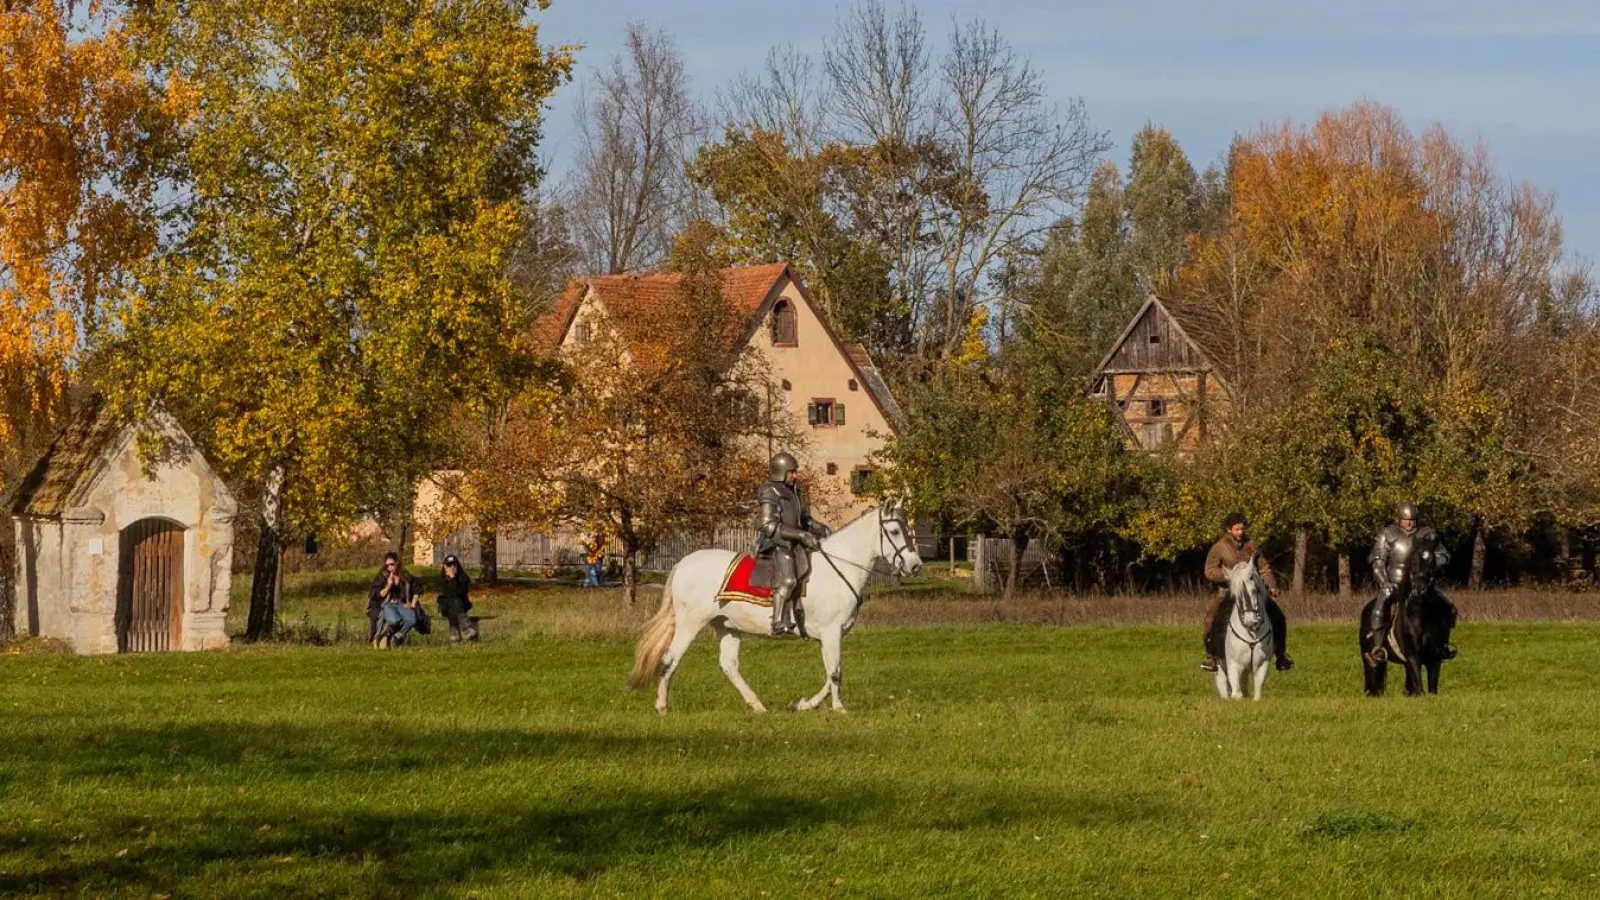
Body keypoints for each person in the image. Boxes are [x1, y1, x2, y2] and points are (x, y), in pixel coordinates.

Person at [1365, 501, 1459, 663]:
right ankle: (1378, 649)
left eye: (1412, 521)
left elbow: (1444, 555)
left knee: (1449, 609)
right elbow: (1378, 562)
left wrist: (1432, 562)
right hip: (1394, 583)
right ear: (1399, 519)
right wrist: (1385, 583)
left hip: (1421, 584)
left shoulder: (1427, 534)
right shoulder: (1388, 534)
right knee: (1379, 609)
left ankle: (1442, 645)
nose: (1408, 524)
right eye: (1405, 520)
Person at [1200, 512, 1294, 672]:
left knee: (1279, 616)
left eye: (1242, 529)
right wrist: (1229, 576)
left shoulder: (1250, 545)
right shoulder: (1219, 547)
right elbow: (1209, 571)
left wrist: (1271, 585)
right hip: (1228, 592)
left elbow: (1263, 567)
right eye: (1236, 529)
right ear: (1228, 529)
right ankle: (1211, 656)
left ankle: (1281, 656)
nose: (1240, 532)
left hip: (1253, 592)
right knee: (1210, 619)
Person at [755, 451, 829, 635]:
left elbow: (802, 516)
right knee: (788, 580)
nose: (795, 475)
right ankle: (778, 622)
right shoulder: (769, 490)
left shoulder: (793, 490)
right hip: (777, 543)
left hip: (794, 541)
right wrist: (800, 535)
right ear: (781, 472)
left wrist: (816, 526)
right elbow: (766, 523)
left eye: (795, 471)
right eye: (792, 471)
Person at [368, 552, 421, 648]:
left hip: (401, 604)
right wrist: (388, 585)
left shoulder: (405, 575)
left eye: (392, 564)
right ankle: (384, 636)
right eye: (387, 565)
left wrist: (412, 603)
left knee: (412, 620)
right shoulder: (383, 576)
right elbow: (377, 594)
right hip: (388, 604)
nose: (389, 567)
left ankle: (397, 636)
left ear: (397, 563)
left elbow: (417, 587)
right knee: (394, 621)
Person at [436, 554, 477, 643]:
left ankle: (454, 634)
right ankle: (466, 628)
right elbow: (447, 594)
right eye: (449, 565)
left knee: (455, 602)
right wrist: (450, 578)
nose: (452, 567)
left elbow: (458, 592)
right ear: (444, 566)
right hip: (445, 606)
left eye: (454, 565)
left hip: (461, 604)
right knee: (453, 602)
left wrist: (453, 578)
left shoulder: (463, 578)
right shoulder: (442, 579)